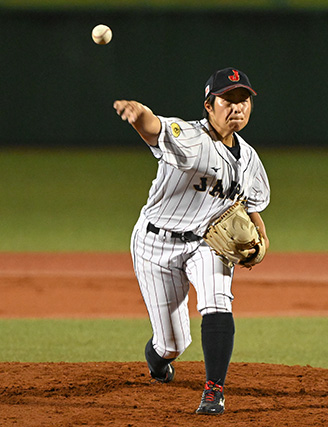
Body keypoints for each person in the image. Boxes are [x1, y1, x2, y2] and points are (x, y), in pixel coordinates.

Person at [113, 67, 270, 415]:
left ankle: (213, 391)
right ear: (209, 106)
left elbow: (251, 204)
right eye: (227, 101)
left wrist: (261, 234)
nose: (237, 108)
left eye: (243, 100)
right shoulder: (191, 138)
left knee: (218, 301)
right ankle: (157, 360)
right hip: (155, 244)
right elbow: (156, 129)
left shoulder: (250, 160)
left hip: (204, 244)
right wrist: (139, 115)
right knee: (172, 343)